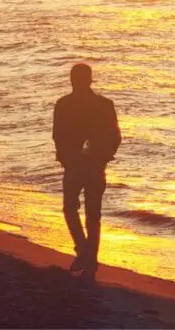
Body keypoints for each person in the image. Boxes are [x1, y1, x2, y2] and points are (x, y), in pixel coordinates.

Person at [53, 63, 121, 280]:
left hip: (84, 165)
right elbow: (115, 136)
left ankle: (85, 254)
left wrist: (102, 157)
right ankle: (87, 256)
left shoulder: (65, 104)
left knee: (76, 209)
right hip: (86, 165)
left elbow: (58, 136)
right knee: (91, 214)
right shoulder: (101, 104)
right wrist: (105, 156)